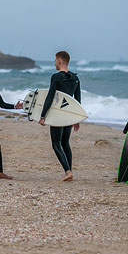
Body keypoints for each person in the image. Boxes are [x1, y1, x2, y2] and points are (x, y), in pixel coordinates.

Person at [38, 51, 81, 182]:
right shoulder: (75, 78)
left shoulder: (56, 77)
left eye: (55, 60)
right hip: (68, 115)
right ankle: (70, 171)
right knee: (65, 143)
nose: (54, 63)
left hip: (57, 114)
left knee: (56, 144)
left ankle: (68, 172)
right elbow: (77, 100)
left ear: (60, 61)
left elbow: (50, 97)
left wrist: (43, 115)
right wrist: (77, 118)